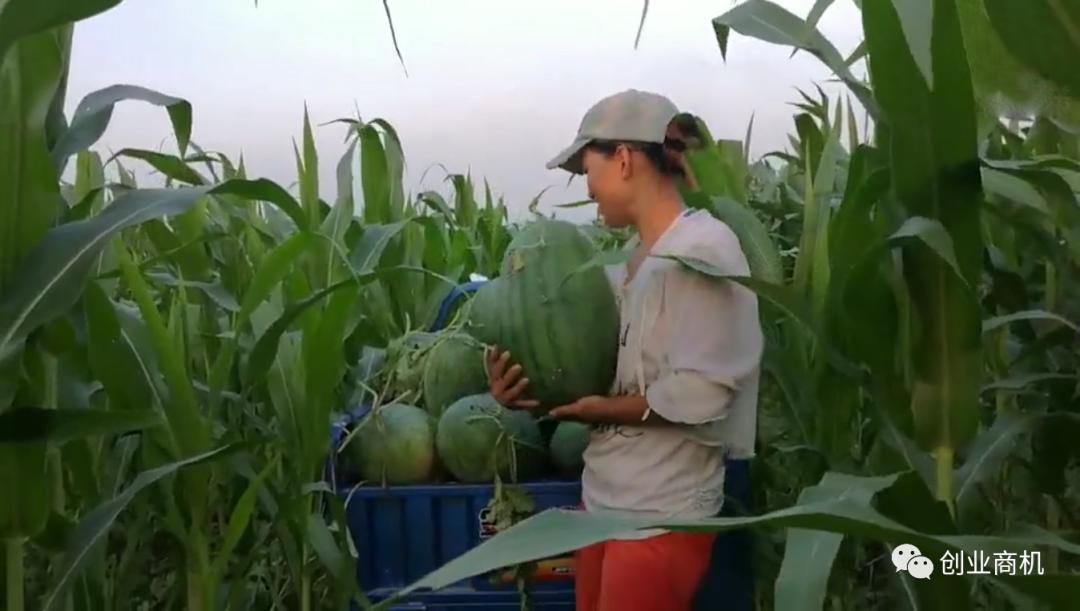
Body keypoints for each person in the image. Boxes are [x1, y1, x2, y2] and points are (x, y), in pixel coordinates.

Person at [485, 89, 763, 611]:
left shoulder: (703, 252)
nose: (586, 188)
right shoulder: (629, 263)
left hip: (660, 515)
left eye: (586, 169)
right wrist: (525, 389)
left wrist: (599, 410)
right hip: (606, 501)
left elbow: (703, 395)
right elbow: (589, 365)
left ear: (624, 159)